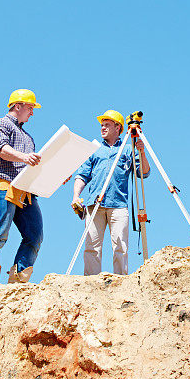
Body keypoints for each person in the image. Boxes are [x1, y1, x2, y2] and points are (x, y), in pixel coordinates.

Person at [72, 109, 150, 275]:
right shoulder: (94, 150)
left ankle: (121, 281)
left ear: (118, 127)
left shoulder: (128, 150)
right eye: (102, 125)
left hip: (118, 205)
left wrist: (142, 152)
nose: (103, 128)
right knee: (92, 246)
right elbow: (81, 175)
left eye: (107, 124)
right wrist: (76, 196)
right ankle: (91, 282)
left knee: (120, 246)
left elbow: (143, 173)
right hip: (95, 203)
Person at [0, 89, 43, 284]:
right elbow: (1, 149)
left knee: (35, 235)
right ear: (18, 106)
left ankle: (19, 278)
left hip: (25, 191)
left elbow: (31, 166)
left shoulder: (28, 137)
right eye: (30, 108)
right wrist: (24, 157)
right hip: (3, 186)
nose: (32, 112)